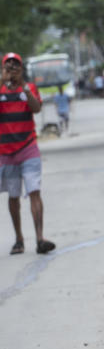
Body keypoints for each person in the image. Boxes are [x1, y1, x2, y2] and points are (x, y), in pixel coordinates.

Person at [0, 53, 55, 254]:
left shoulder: (29, 87)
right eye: (8, 66)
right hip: (6, 152)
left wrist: (22, 85)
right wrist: (2, 81)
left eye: (16, 66)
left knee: (34, 192)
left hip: (28, 148)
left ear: (21, 69)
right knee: (13, 196)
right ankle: (19, 239)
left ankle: (40, 239)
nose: (12, 69)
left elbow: (36, 108)